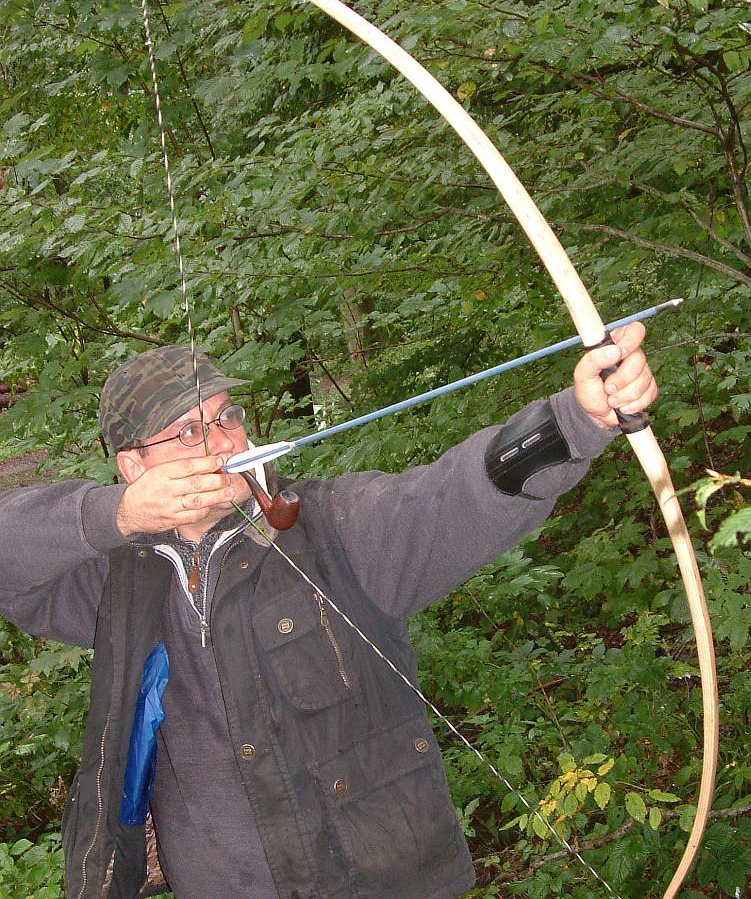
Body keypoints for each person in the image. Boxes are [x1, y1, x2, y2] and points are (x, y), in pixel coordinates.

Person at [0, 324, 657, 899]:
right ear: (132, 466)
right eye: (189, 432)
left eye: (227, 418)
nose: (222, 443)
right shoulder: (115, 579)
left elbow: (450, 498)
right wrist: (113, 515)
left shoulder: (333, 526)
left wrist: (579, 418)